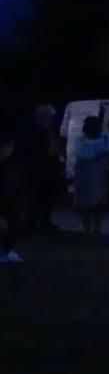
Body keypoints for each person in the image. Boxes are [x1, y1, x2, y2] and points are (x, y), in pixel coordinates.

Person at [18, 104, 62, 233]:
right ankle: (30, 223)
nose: (51, 118)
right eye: (49, 116)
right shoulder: (32, 130)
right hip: (36, 168)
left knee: (46, 196)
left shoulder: (50, 129)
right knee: (34, 197)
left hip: (48, 168)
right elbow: (31, 149)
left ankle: (44, 222)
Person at [72, 115, 109, 236]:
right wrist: (98, 153)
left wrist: (95, 153)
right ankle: (86, 228)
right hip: (84, 177)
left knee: (99, 205)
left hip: (99, 178)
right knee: (84, 205)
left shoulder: (106, 139)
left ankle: (97, 227)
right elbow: (84, 154)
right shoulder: (80, 140)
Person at [0, 134, 22, 263]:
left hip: (6, 202)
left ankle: (7, 251)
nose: (11, 149)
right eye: (9, 146)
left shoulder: (6, 165)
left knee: (13, 223)